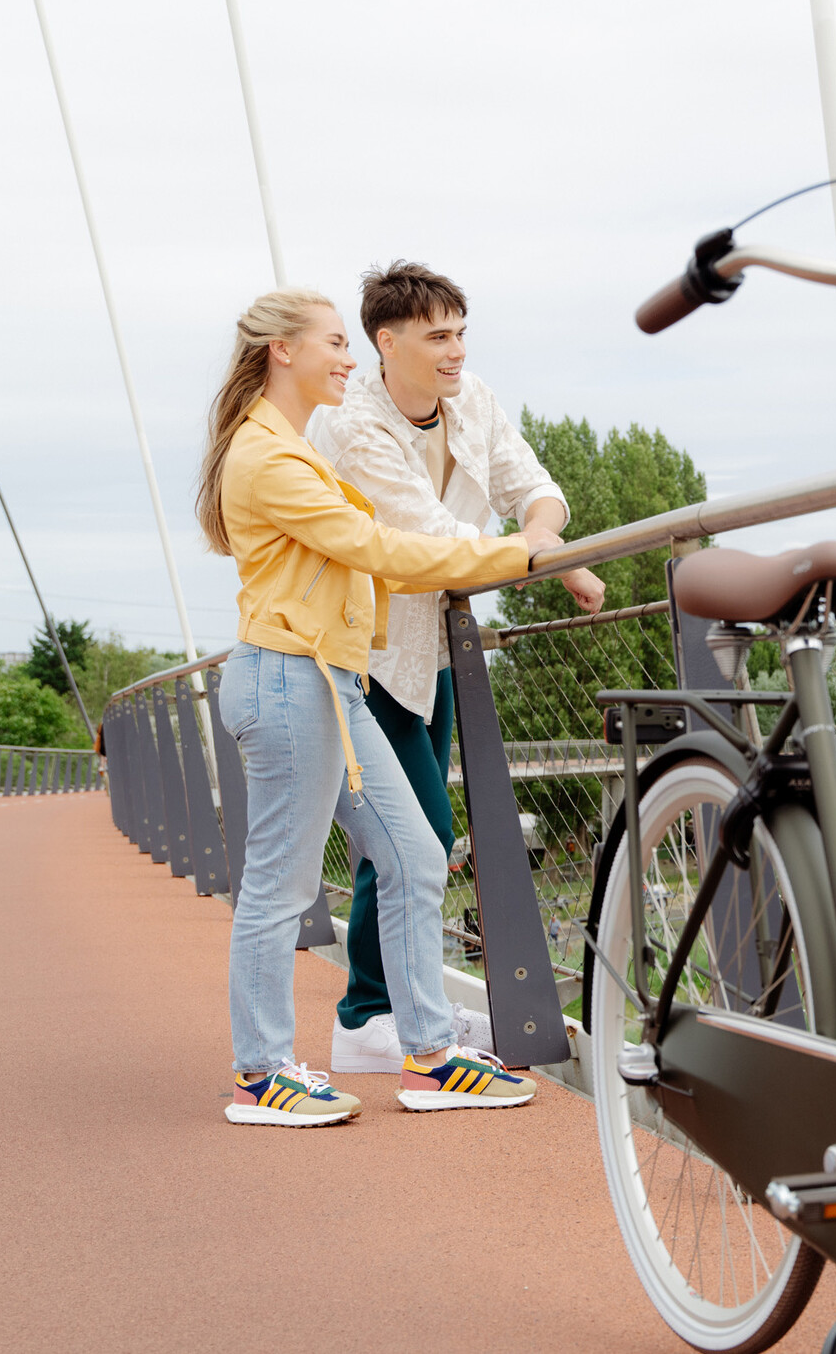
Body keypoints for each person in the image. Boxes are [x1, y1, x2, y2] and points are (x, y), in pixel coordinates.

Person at [197, 287, 548, 1125]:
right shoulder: (267, 456)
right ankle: (260, 1073)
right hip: (289, 681)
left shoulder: (287, 443)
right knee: (280, 885)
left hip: (329, 681)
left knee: (418, 856)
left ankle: (428, 1056)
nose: (348, 359)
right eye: (334, 344)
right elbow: (378, 547)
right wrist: (518, 552)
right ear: (283, 351)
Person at [308, 261, 605, 1073]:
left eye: (461, 333)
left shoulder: (472, 399)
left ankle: (393, 1012)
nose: (456, 351)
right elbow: (433, 538)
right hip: (365, 650)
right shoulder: (352, 425)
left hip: (437, 646)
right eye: (438, 336)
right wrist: (548, 558)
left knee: (410, 835)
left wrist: (543, 537)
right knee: (419, 833)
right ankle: (371, 1014)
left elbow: (536, 489)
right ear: (387, 342)